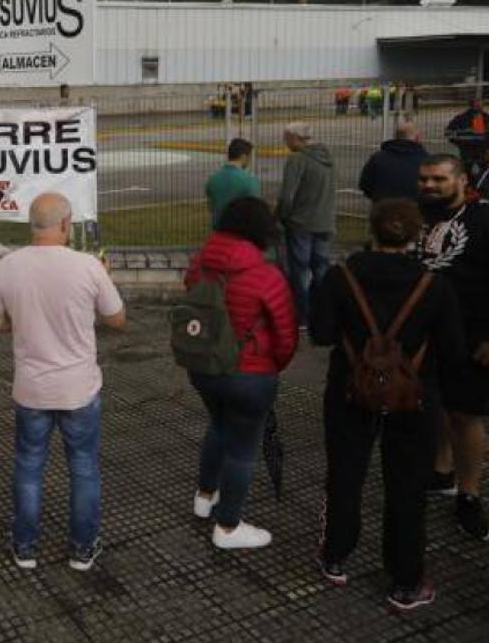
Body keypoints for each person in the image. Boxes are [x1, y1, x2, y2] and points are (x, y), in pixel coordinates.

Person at [310, 199, 464, 611]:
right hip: (413, 397)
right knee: (407, 488)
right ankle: (405, 580)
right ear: (416, 237)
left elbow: (321, 334)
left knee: (344, 473)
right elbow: (451, 350)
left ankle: (335, 556)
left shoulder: (339, 278)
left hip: (349, 391)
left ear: (372, 229)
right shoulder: (434, 286)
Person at [0, 192, 125, 572]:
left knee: (29, 465)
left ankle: (25, 547)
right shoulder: (88, 266)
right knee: (84, 468)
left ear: (33, 225)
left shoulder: (9, 266)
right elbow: (117, 320)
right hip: (79, 389)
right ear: (64, 225)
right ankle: (82, 549)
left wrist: (22, 322)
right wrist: (103, 281)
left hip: (31, 389)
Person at [184, 197, 298, 549]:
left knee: (218, 424)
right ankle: (228, 526)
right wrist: (272, 367)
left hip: (203, 366)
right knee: (243, 449)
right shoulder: (266, 275)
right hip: (250, 374)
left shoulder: (200, 264)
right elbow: (286, 335)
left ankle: (205, 496)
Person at [414, 155, 489, 540]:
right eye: (424, 179)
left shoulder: (481, 220)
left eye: (439, 179)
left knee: (467, 417)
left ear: (461, 180)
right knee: (439, 406)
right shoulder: (418, 218)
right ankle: (442, 471)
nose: (429, 185)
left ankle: (470, 493)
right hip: (426, 337)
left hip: (472, 339)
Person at [276, 122, 335, 327]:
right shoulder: (327, 157)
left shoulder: (297, 159)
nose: (285, 142)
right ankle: (325, 314)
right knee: (321, 270)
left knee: (300, 271)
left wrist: (281, 217)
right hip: (325, 221)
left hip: (301, 223)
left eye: (287, 138)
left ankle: (304, 317)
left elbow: (286, 196)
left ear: (296, 138)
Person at [358, 120, 427, 203]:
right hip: (416, 210)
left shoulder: (377, 158)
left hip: (383, 209)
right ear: (417, 137)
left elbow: (365, 185)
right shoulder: (426, 160)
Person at [205, 138, 261, 227]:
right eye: (249, 157)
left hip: (219, 229)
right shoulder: (249, 180)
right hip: (241, 232)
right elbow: (256, 211)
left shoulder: (213, 179)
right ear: (243, 157)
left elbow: (211, 207)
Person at [444, 98, 488, 169]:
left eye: (481, 105)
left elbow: (449, 133)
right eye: (478, 105)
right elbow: (449, 133)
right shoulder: (461, 118)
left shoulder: (485, 117)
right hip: (471, 151)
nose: (481, 107)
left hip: (477, 151)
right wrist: (461, 144)